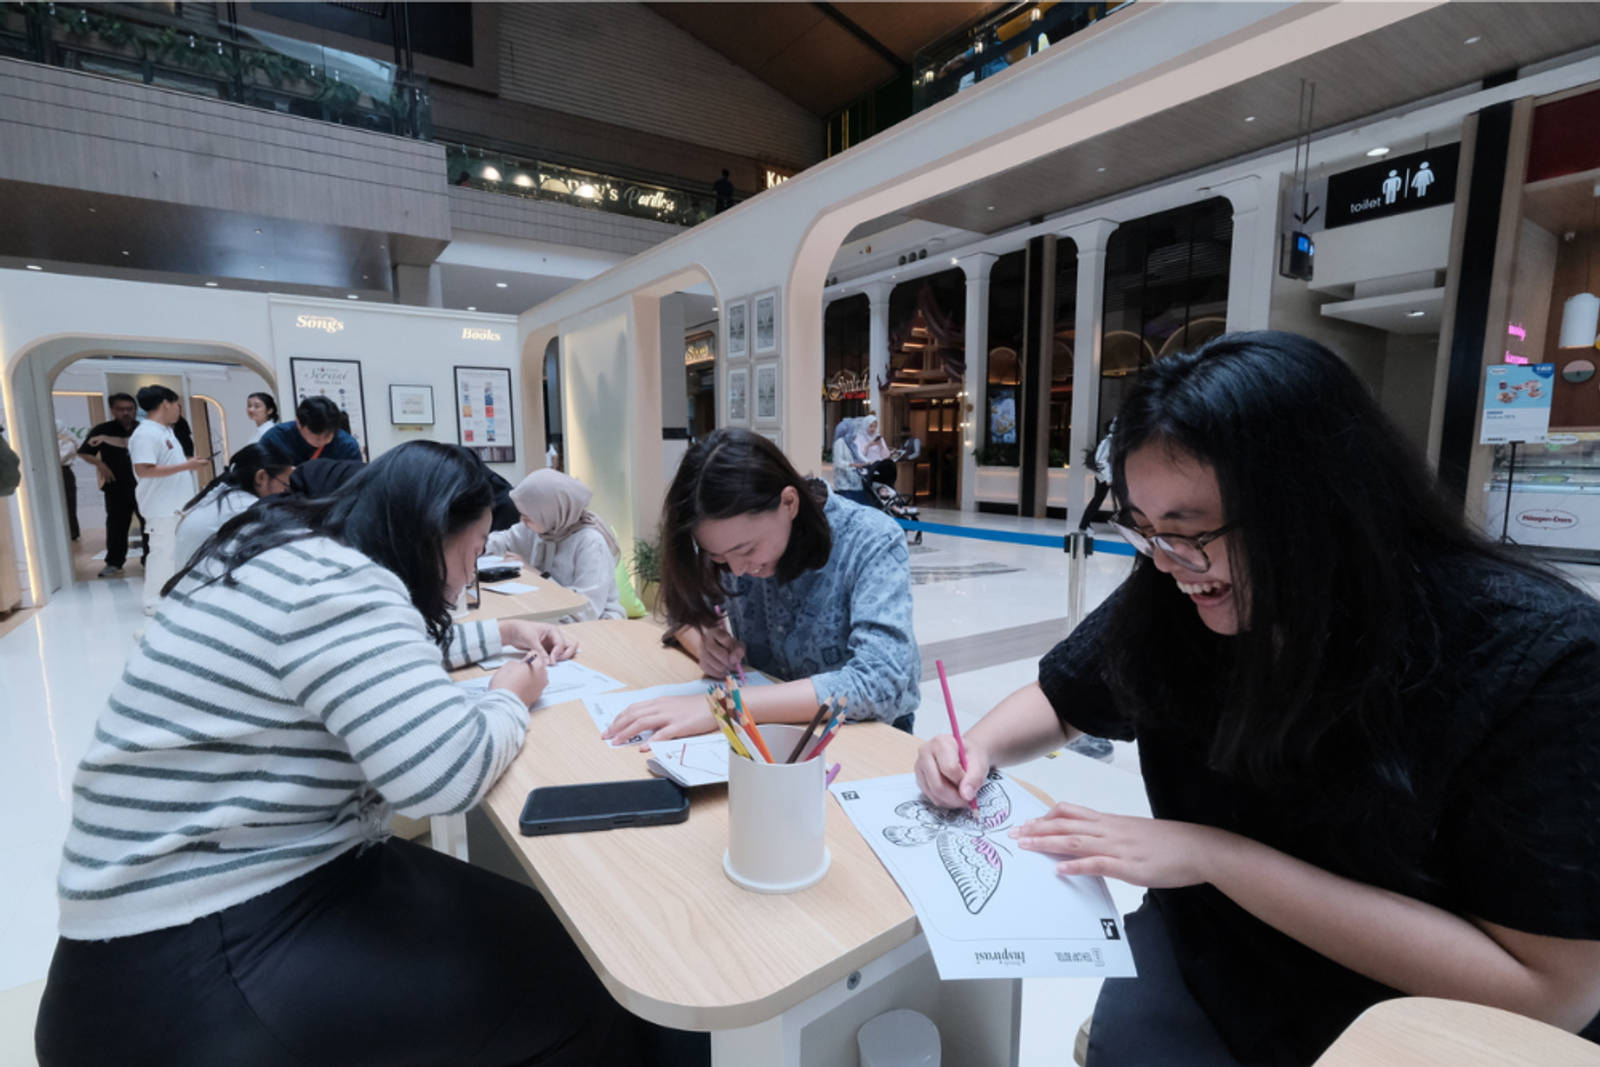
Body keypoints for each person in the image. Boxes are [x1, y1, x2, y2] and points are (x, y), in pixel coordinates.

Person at [913, 331, 1600, 1065]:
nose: (1172, 565)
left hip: (1411, 1019)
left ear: (1318, 502)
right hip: (1211, 948)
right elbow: (1063, 695)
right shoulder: (1179, 594)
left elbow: (1552, 992)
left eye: (1192, 532)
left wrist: (1218, 856)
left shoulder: (1535, 659)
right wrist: (977, 745)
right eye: (1144, 530)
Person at [35, 441, 654, 1066]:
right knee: (577, 986)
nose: (469, 576)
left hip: (152, 930)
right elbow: (444, 773)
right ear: (429, 532)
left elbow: (353, 661)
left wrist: (497, 632)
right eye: (470, 554)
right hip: (195, 958)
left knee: (536, 926)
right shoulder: (340, 583)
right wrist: (510, 696)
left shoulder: (293, 555)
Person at [604, 427, 920, 744]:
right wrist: (706, 645)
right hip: (767, 733)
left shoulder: (870, 539)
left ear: (789, 502)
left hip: (862, 739)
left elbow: (880, 683)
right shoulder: (729, 542)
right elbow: (685, 616)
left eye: (747, 550)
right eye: (718, 557)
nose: (737, 569)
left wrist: (725, 706)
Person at [484, 469, 624, 621]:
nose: (522, 520)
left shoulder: (590, 543)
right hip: (552, 615)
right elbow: (502, 541)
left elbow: (586, 609)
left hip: (596, 623)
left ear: (550, 513)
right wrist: (475, 543)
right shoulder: (543, 528)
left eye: (528, 516)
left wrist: (538, 576)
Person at [129, 386, 209, 614]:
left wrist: (187, 462)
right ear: (166, 403)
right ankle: (153, 600)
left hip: (177, 505)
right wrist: (187, 465)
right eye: (177, 405)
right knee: (161, 553)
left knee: (175, 553)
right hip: (161, 507)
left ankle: (172, 595)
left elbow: (164, 461)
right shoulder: (146, 433)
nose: (178, 410)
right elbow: (144, 469)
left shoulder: (165, 431)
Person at [173, 444, 293, 566]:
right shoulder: (245, 507)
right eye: (286, 487)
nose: (288, 495)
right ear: (261, 477)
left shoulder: (222, 493)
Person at [78, 393, 146, 578]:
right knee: (117, 525)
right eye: (121, 409)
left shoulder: (143, 429)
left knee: (148, 523)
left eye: (130, 409)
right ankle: (114, 562)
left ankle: (148, 560)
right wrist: (100, 464)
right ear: (113, 410)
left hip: (144, 485)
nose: (126, 413)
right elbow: (84, 452)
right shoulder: (103, 429)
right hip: (116, 486)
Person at [258, 395, 363, 466]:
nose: (322, 441)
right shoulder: (275, 439)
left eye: (328, 436)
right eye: (317, 437)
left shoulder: (347, 445)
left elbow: (355, 484)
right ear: (299, 423)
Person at [1078, 417, 1116, 531]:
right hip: (1104, 477)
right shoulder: (1108, 441)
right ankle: (1083, 525)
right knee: (1097, 500)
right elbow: (1100, 460)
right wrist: (1108, 477)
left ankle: (1084, 525)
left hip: (1109, 476)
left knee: (1099, 499)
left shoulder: (1115, 441)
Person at [830, 416, 873, 508]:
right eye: (854, 430)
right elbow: (838, 462)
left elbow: (859, 455)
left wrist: (868, 462)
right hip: (844, 484)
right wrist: (852, 465)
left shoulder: (852, 444)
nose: (855, 432)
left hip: (855, 482)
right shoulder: (840, 443)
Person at [56, 419, 80, 541]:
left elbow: (67, 453)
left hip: (63, 471)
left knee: (69, 504)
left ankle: (72, 532)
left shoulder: (67, 439)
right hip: (51, 472)